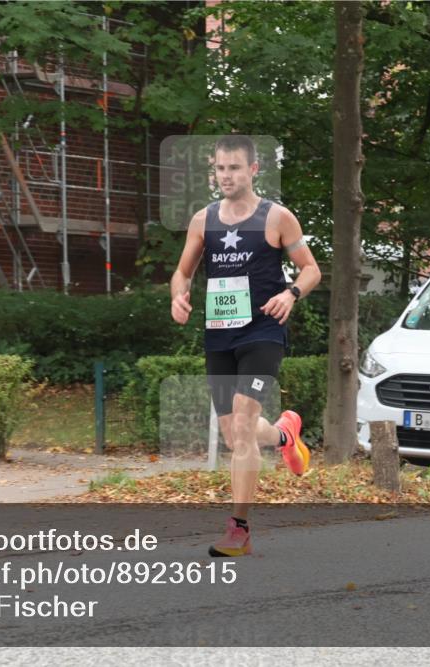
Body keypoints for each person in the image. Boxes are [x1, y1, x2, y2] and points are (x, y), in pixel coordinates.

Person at [170, 134, 322, 557]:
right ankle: (285, 435)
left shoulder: (277, 218)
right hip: (219, 334)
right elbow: (181, 272)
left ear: (253, 170)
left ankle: (239, 528)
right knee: (236, 432)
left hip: (263, 330)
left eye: (235, 168)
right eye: (220, 168)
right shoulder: (204, 220)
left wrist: (291, 293)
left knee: (240, 424)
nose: (226, 176)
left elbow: (311, 269)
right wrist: (177, 296)